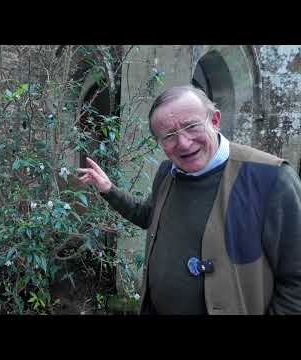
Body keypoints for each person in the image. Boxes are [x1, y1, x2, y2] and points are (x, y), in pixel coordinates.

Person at [77, 85, 301, 315]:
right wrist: (108, 189)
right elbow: (149, 216)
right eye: (169, 136)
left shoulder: (271, 178)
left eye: (191, 126)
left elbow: (295, 282)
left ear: (214, 120)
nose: (183, 143)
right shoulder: (168, 172)